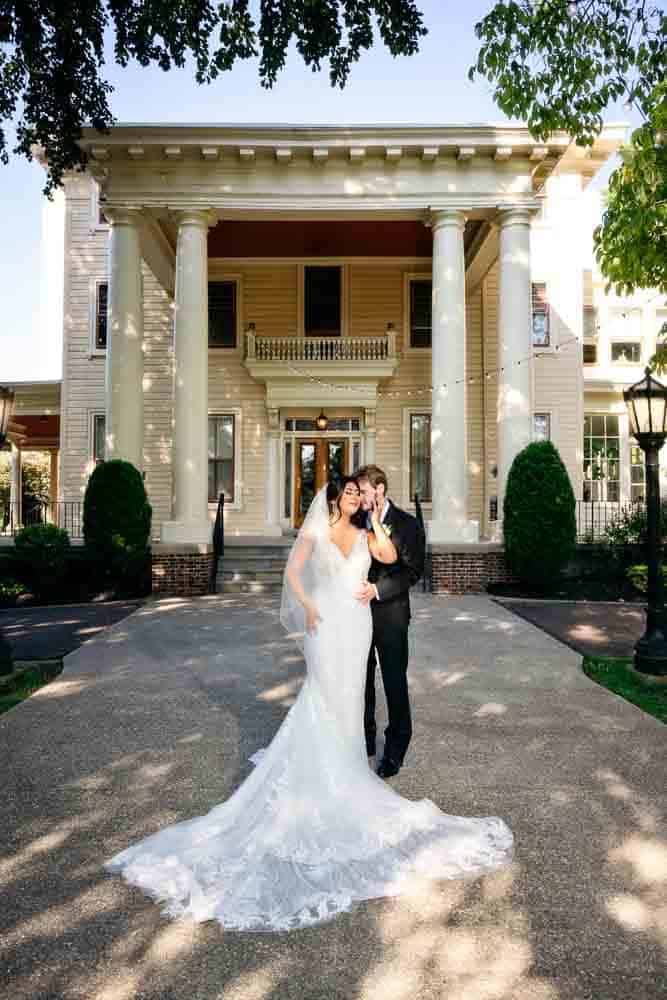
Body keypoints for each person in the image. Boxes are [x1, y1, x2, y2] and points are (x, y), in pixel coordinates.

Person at [104, 478, 513, 932]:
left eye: (363, 493)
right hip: (324, 622)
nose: (358, 498)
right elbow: (292, 574)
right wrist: (308, 607)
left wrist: (376, 521)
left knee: (350, 695)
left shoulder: (364, 530)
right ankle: (321, 768)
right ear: (335, 497)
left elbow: (391, 559)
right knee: (322, 692)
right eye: (352, 493)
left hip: (357, 625)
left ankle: (348, 764)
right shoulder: (316, 531)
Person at [355, 465, 425, 778]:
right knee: (361, 681)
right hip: (356, 615)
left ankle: (395, 750)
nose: (360, 497)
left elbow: (412, 571)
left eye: (365, 492)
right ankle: (365, 741)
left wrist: (378, 590)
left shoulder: (407, 523)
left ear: (380, 489)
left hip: (391, 615)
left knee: (394, 681)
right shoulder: (354, 522)